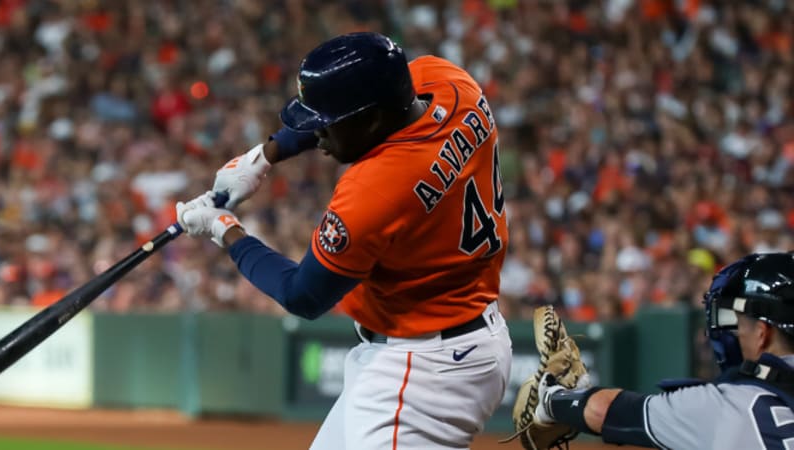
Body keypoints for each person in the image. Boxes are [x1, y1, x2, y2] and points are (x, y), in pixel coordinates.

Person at [176, 32, 512, 449]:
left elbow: (303, 296)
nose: (318, 136)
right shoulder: (452, 83)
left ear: (371, 120)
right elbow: (368, 106)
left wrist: (224, 229)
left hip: (425, 371)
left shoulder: (376, 189)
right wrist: (265, 156)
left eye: (325, 126)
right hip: (445, 342)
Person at [517, 252, 794, 449]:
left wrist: (550, 399)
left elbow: (606, 411)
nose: (734, 332)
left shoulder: (728, 405)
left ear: (761, 333)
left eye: (739, 323)